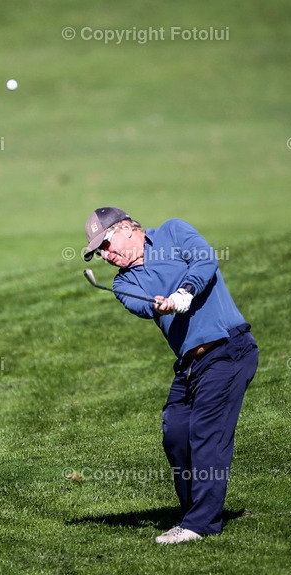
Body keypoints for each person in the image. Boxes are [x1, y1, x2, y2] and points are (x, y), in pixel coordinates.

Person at [83, 207, 258, 544]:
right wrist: (164, 303)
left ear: (127, 228)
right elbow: (144, 305)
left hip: (228, 350)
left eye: (105, 244)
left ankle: (199, 525)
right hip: (191, 365)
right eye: (99, 252)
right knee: (176, 432)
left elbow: (205, 261)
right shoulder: (124, 284)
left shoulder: (173, 232)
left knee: (206, 432)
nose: (105, 255)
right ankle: (195, 513)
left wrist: (184, 293)